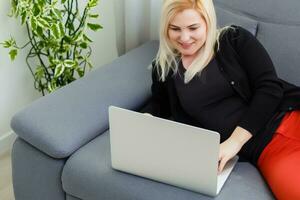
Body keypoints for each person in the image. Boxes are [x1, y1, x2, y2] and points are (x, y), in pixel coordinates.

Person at [143, 0, 300, 199]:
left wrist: (233, 143)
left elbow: (270, 88)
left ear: (208, 22)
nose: (184, 38)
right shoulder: (164, 68)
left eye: (193, 28)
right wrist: (147, 117)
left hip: (290, 117)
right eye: (175, 29)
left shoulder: (233, 39)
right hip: (266, 149)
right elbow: (160, 103)